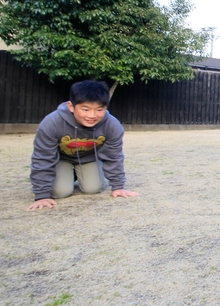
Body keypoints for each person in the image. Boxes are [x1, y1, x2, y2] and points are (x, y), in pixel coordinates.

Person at [29, 80, 138, 211]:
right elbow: (43, 158)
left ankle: (85, 171)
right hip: (61, 159)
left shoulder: (112, 125)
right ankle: (69, 173)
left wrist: (118, 186)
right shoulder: (51, 123)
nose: (92, 115)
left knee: (93, 188)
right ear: (71, 106)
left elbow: (114, 156)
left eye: (99, 109)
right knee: (60, 192)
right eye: (85, 109)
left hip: (89, 158)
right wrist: (41, 195)